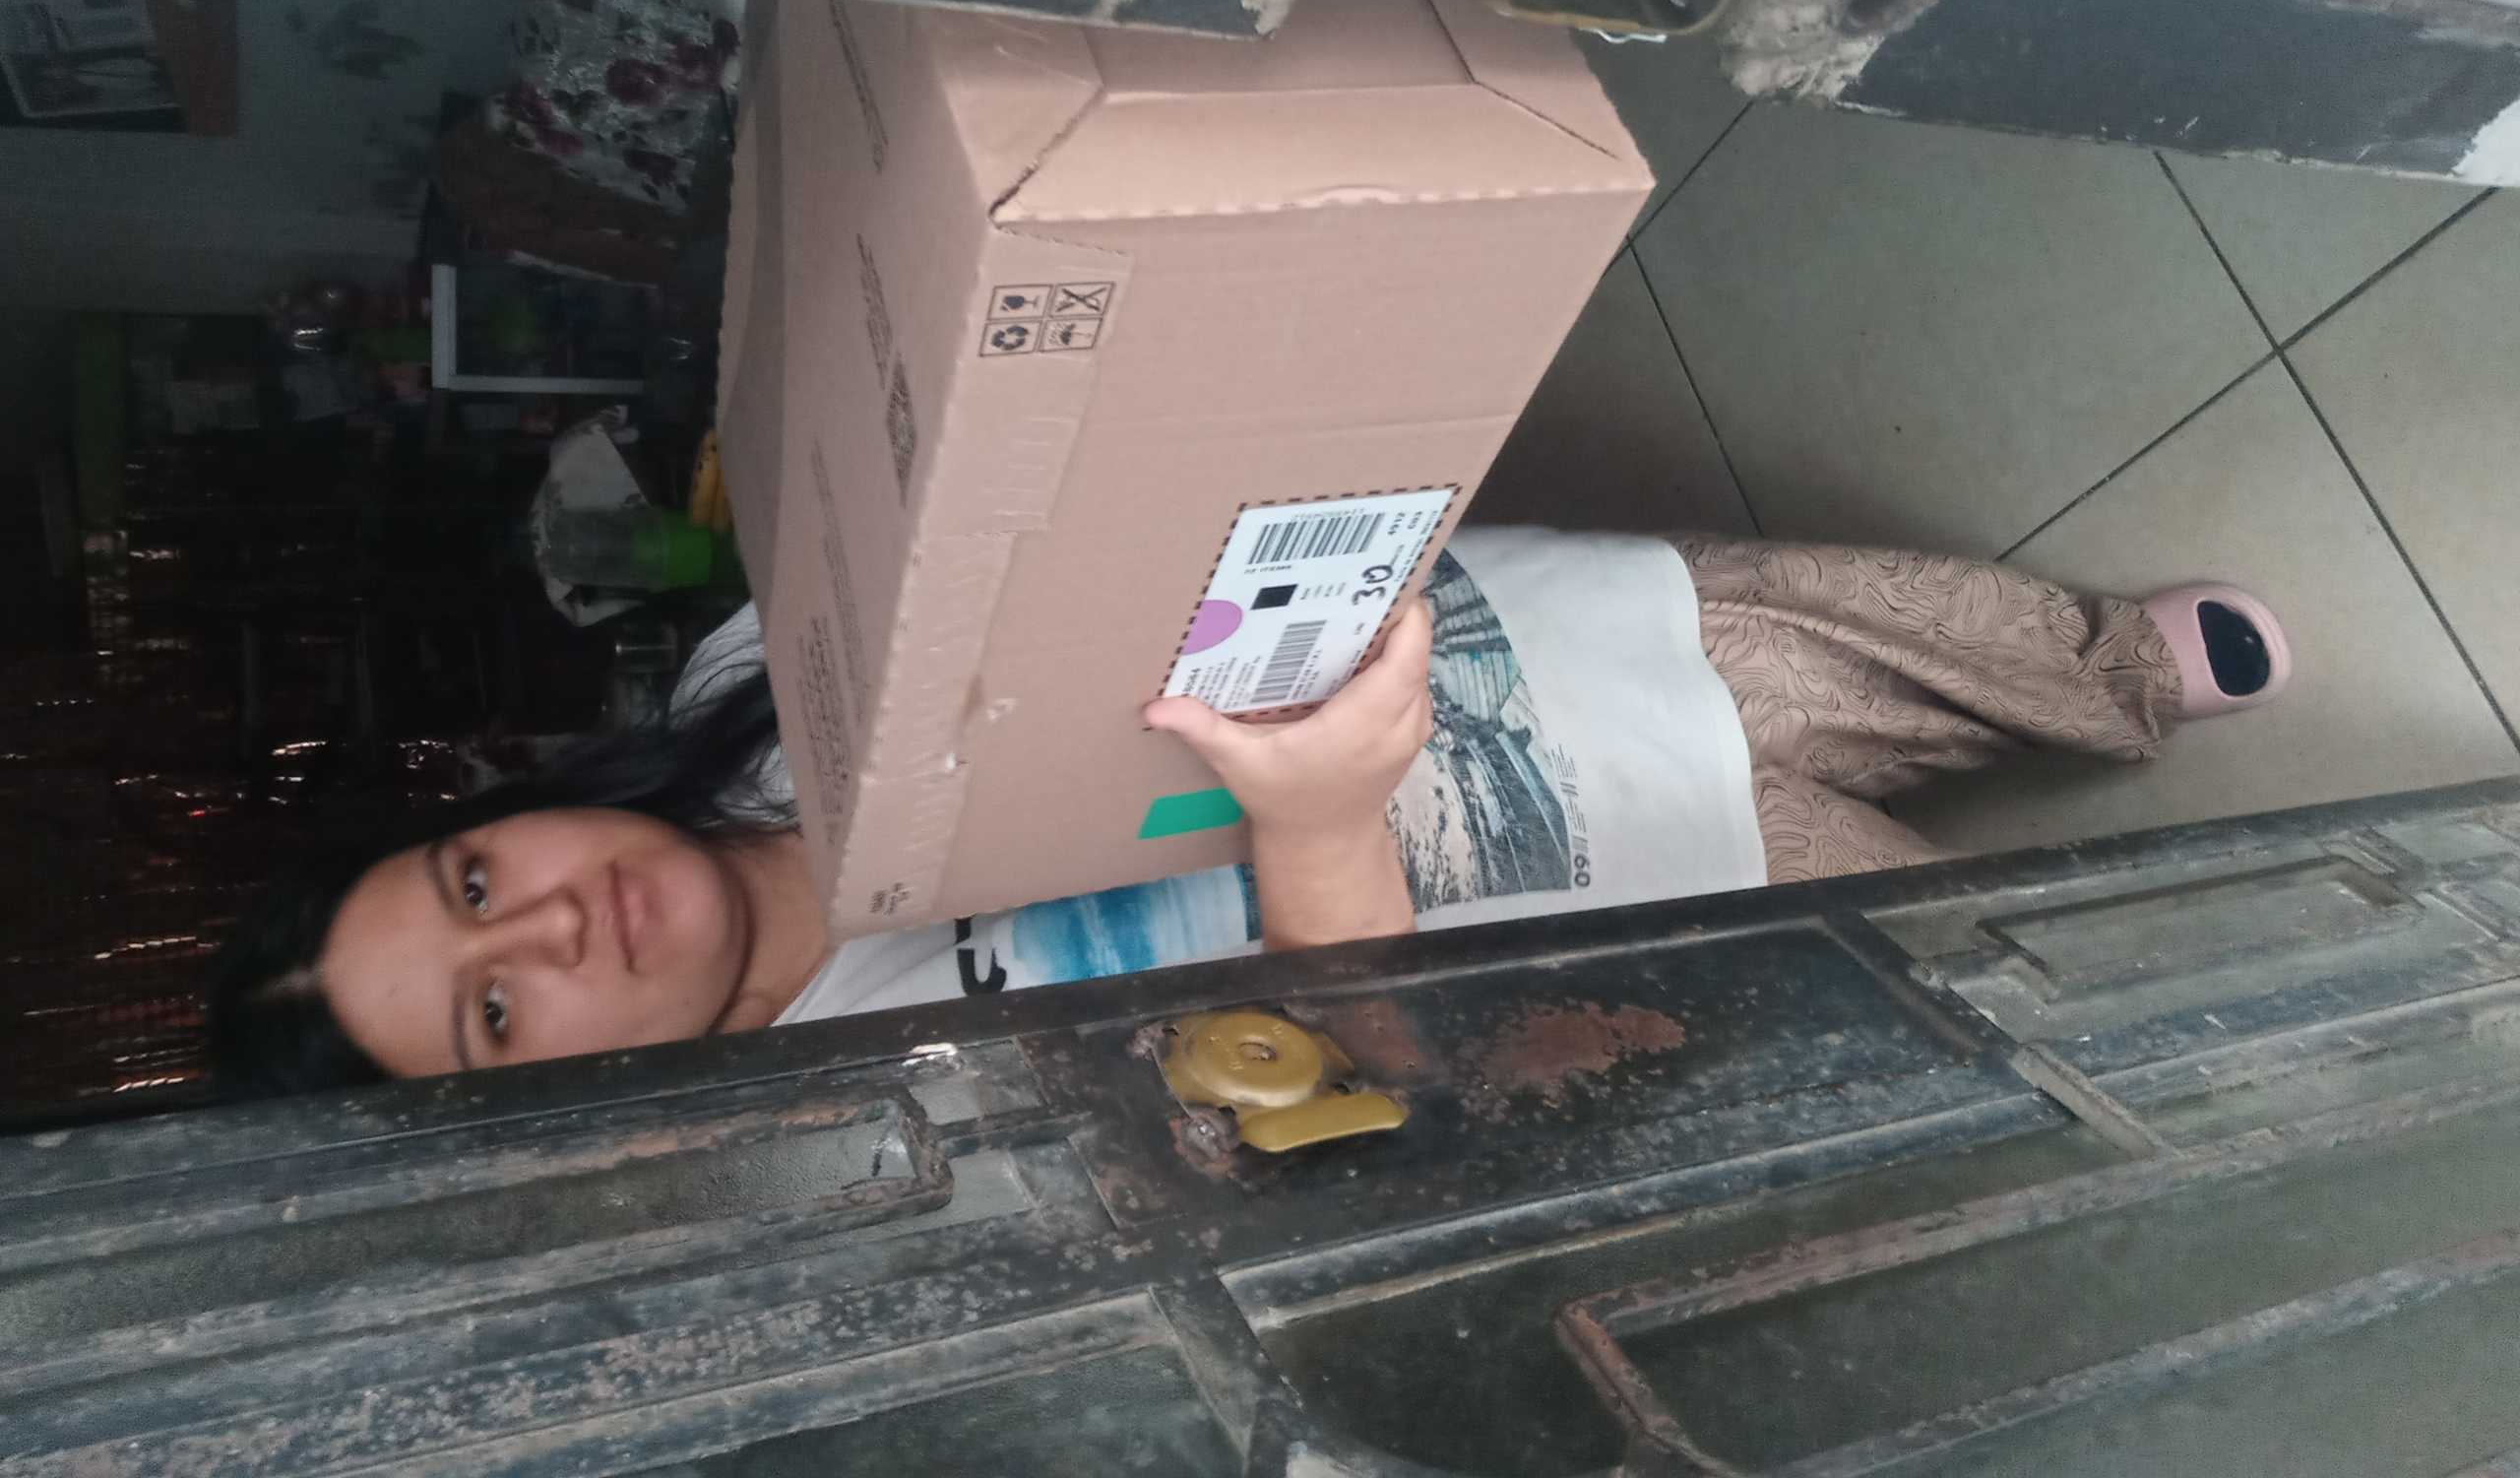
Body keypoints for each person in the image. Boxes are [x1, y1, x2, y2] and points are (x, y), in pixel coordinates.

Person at [210, 529, 2289, 1094]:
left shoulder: (757, 682)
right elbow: (1362, 1098)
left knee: (1857, 637)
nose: (546, 926)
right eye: (496, 1008)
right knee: (2069, 1002)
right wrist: (1316, 834)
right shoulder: (870, 1107)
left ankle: (2104, 678)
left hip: (1523, 645)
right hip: (1624, 898)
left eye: (471, 881)